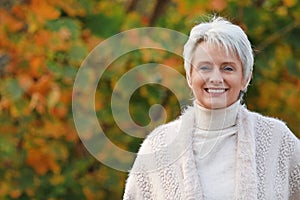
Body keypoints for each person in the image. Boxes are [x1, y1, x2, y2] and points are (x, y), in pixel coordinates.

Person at [123, 16, 300, 199]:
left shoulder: (277, 140)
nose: (216, 78)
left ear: (245, 78)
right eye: (205, 68)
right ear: (190, 76)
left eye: (228, 68)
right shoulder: (158, 146)